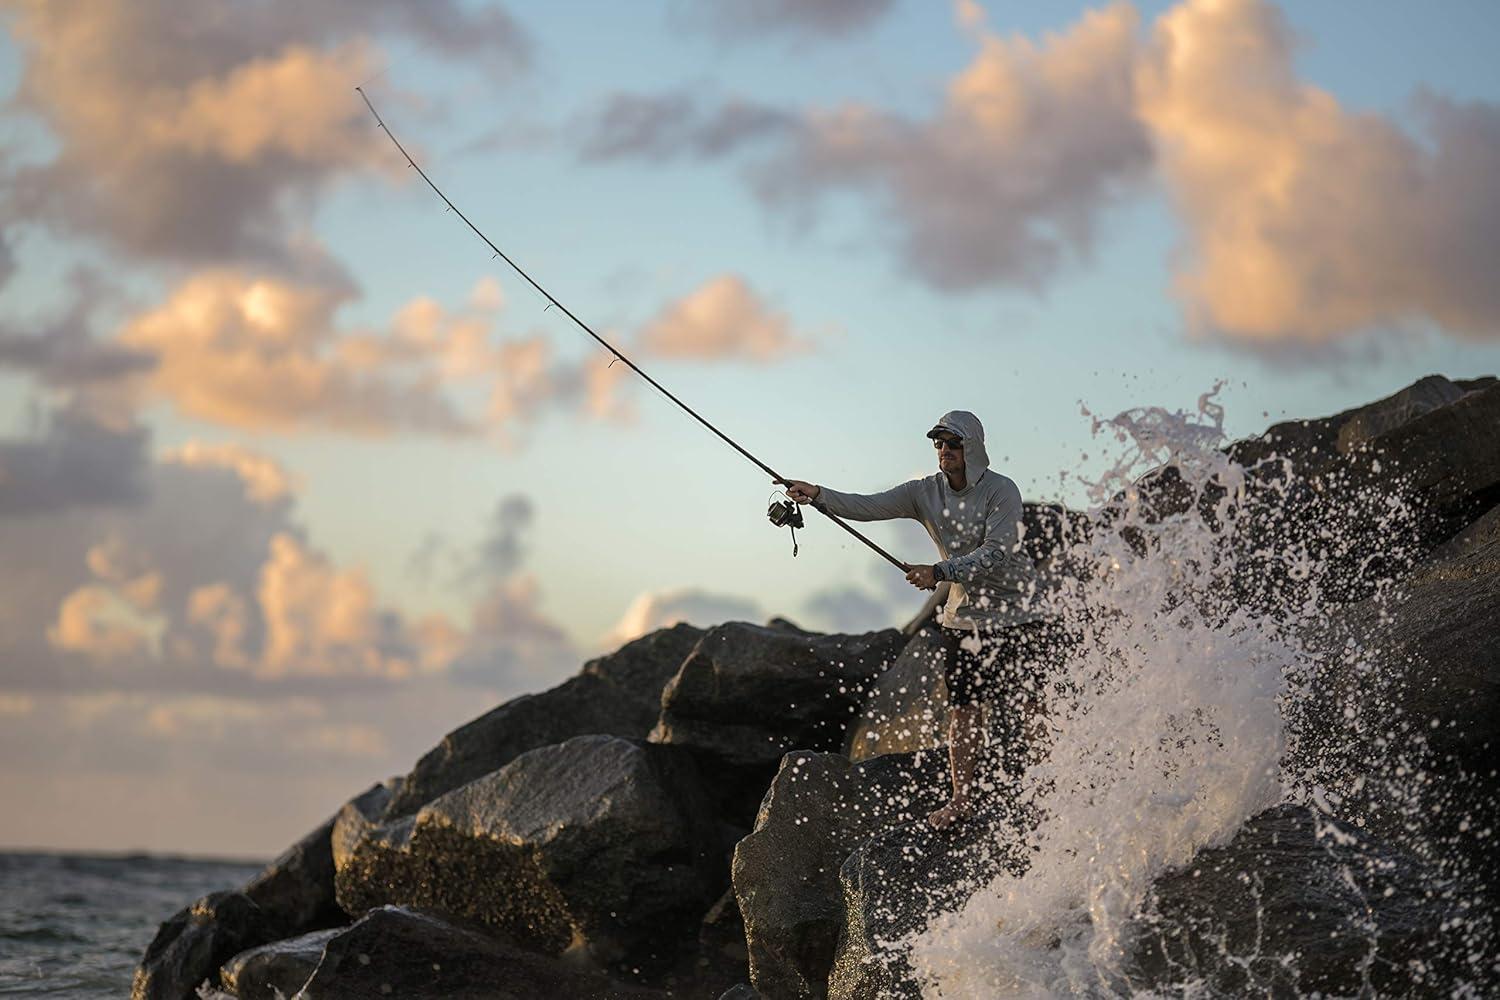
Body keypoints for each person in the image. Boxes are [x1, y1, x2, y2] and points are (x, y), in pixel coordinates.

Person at [782, 410, 1065, 830]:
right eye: (938, 443)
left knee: (1033, 706)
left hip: (1020, 614)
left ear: (972, 447)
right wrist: (818, 494)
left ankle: (1054, 793)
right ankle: (962, 801)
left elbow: (997, 552)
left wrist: (939, 572)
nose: (944, 450)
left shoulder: (1002, 490)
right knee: (964, 712)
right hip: (964, 621)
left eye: (953, 443)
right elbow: (867, 506)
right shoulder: (923, 492)